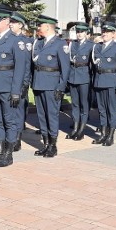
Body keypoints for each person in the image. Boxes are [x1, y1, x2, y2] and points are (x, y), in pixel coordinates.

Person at [0, 7, 28, 167]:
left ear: (7, 22)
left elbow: (20, 68)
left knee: (9, 121)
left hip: (8, 87)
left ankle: (8, 154)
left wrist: (16, 91)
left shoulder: (16, 41)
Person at [30, 15, 70, 156]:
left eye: (40, 25)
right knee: (42, 115)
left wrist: (61, 87)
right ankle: (45, 144)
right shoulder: (40, 43)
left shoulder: (60, 44)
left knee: (51, 115)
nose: (38, 28)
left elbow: (65, 68)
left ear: (47, 26)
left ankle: (53, 146)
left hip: (52, 85)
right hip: (39, 83)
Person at [91, 22, 116, 146]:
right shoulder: (97, 47)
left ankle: (110, 135)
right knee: (101, 109)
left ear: (113, 34)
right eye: (103, 31)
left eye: (107, 32)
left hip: (112, 81)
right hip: (99, 80)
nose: (104, 33)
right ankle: (103, 134)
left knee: (111, 110)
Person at [66, 22, 94, 141]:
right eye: (77, 31)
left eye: (81, 32)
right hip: (73, 76)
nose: (79, 34)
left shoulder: (91, 45)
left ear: (87, 33)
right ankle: (75, 127)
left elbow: (93, 64)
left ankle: (82, 129)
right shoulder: (72, 44)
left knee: (84, 104)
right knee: (75, 104)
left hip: (84, 77)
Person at [10, 12, 31, 151]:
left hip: (20, 82)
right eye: (10, 21)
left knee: (18, 110)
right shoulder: (7, 39)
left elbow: (27, 65)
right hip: (7, 81)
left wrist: (24, 83)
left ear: (20, 25)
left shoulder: (26, 42)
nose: (10, 24)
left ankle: (17, 138)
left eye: (13, 22)